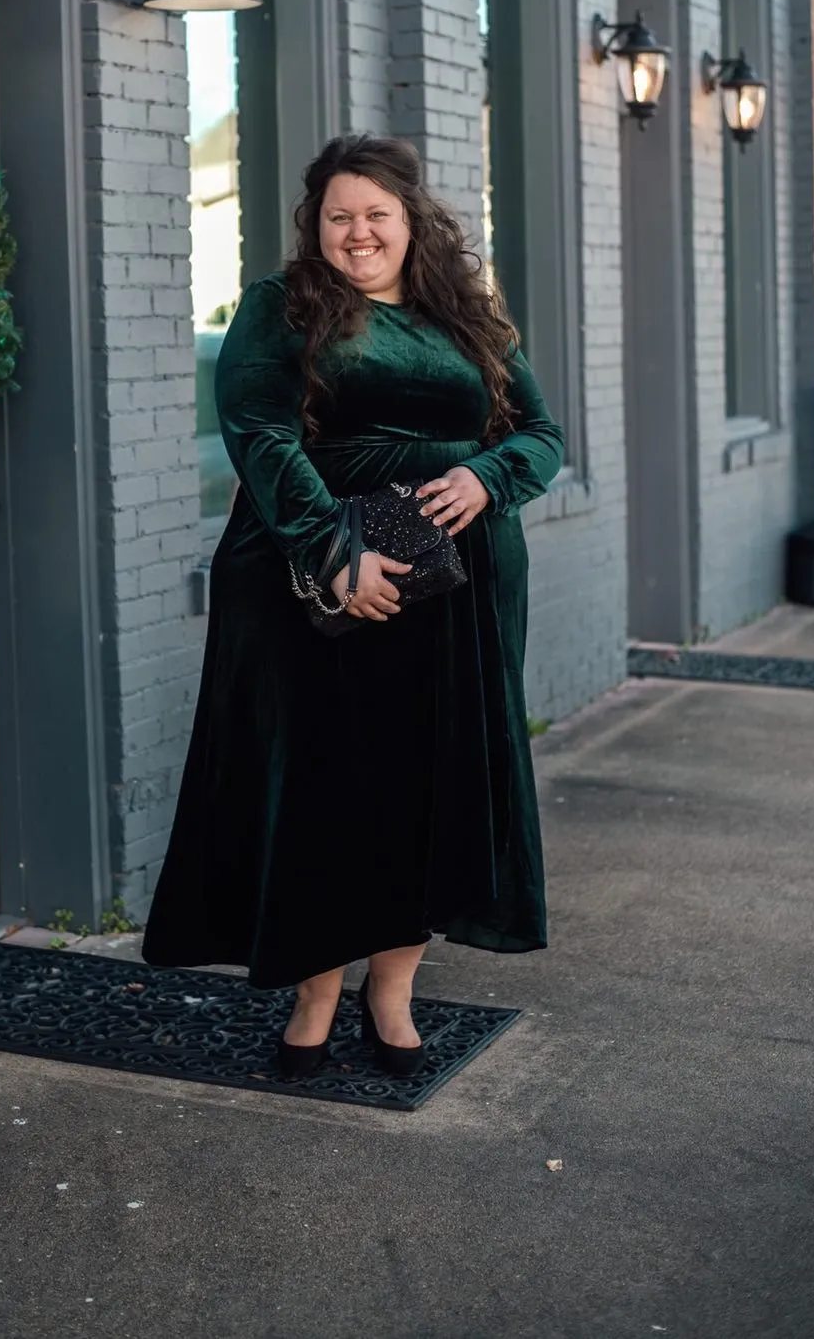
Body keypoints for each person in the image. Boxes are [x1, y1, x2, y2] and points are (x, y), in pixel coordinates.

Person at [142, 134, 565, 1078]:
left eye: (377, 214)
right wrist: (337, 555)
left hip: (461, 591)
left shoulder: (470, 317)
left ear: (413, 221)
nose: (358, 232)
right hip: (314, 582)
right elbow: (258, 433)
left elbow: (542, 433)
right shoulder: (281, 307)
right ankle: (315, 990)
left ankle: (392, 996)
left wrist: (490, 477)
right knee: (329, 788)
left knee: (428, 783)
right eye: (340, 216)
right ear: (315, 224)